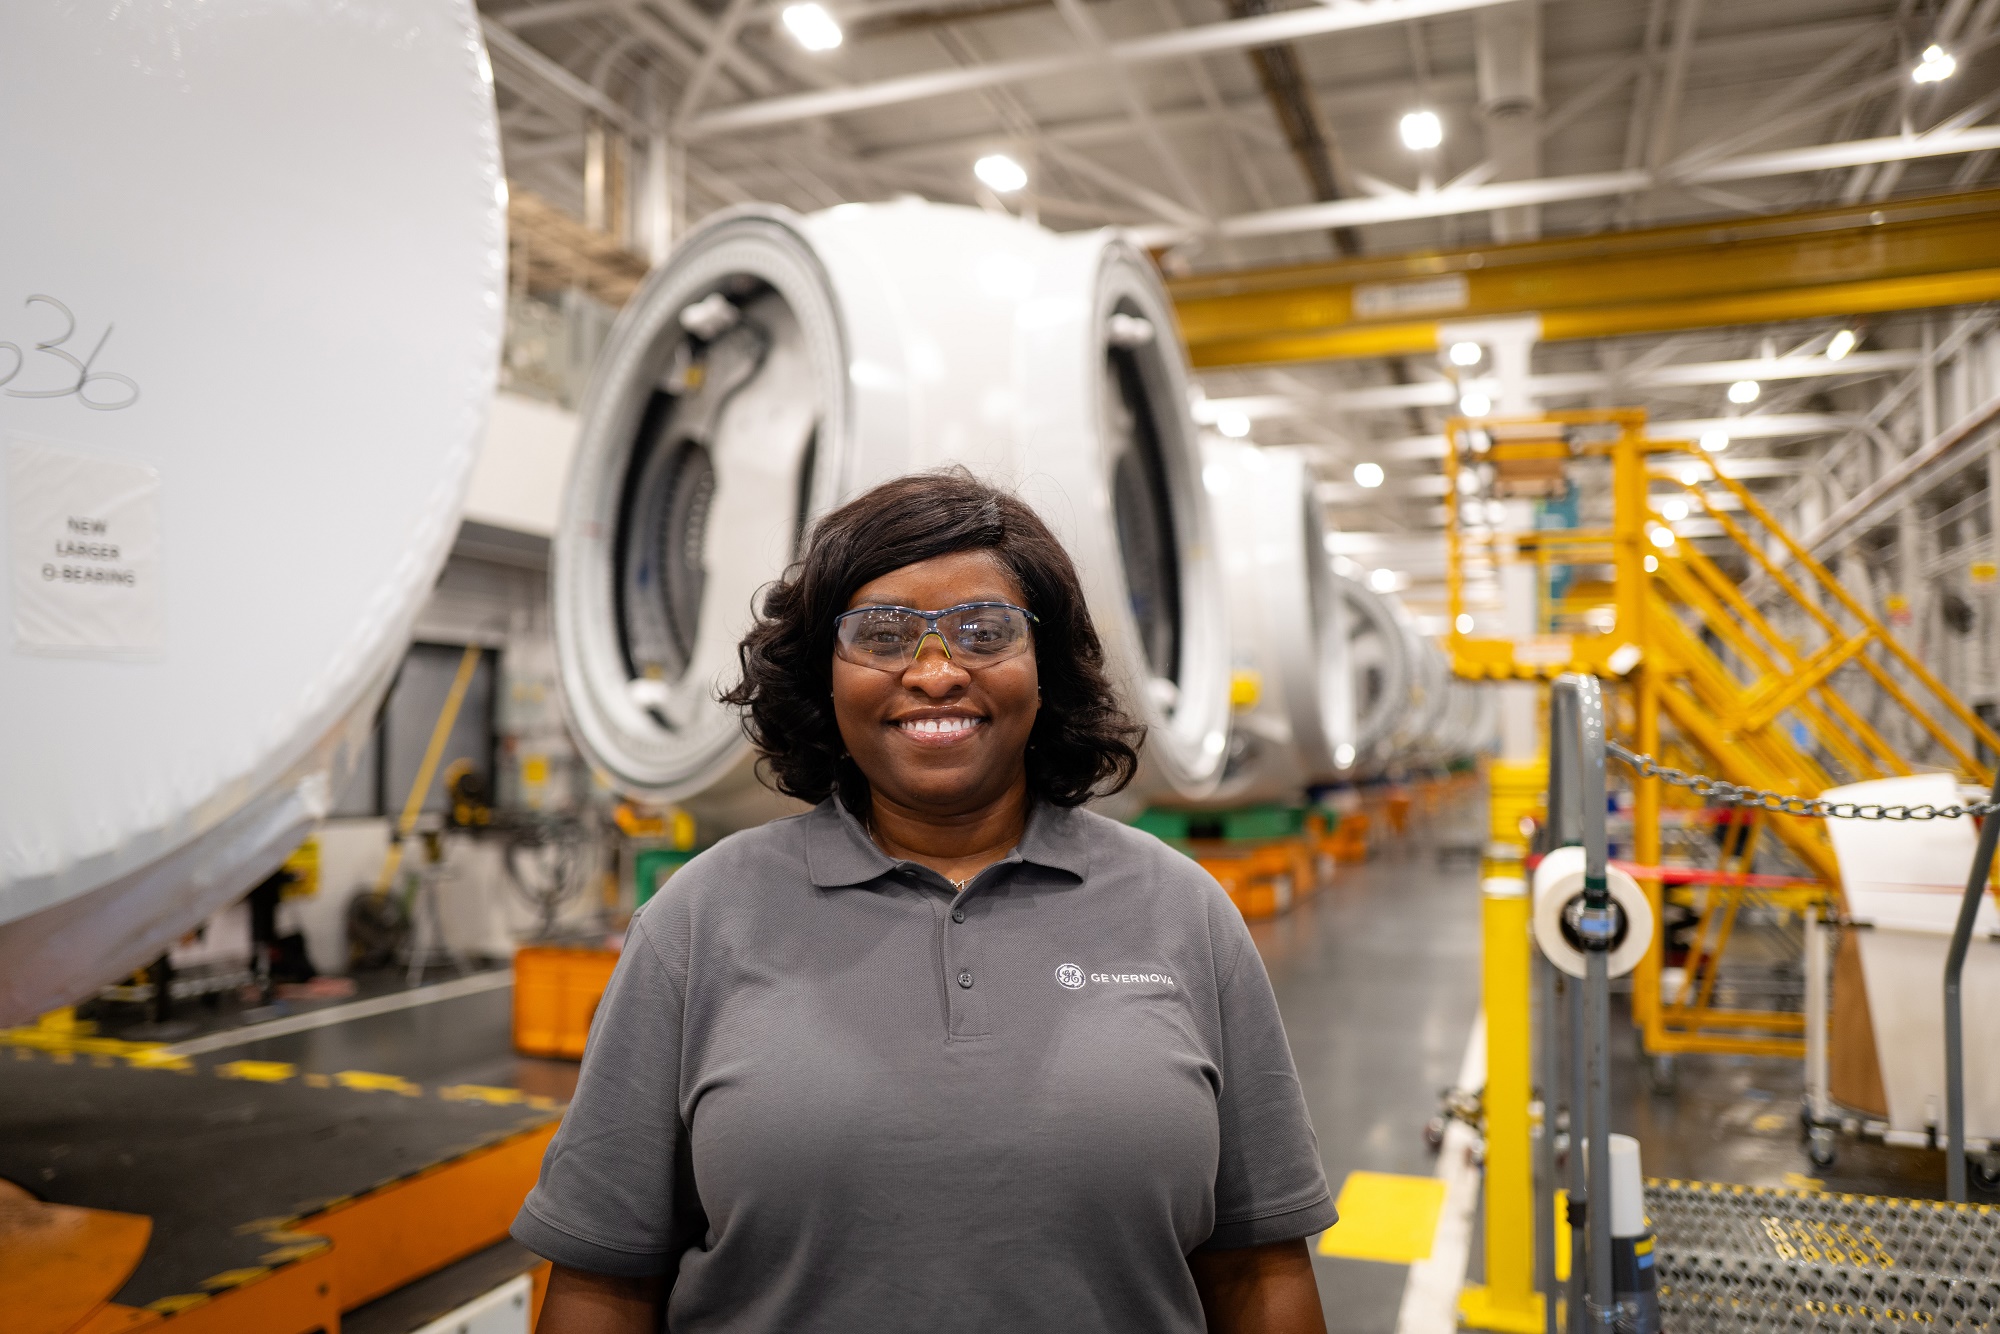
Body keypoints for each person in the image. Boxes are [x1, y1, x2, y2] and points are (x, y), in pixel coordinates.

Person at [515, 470, 1335, 1332]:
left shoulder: (1186, 915)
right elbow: (605, 1278)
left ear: (1046, 668)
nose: (936, 673)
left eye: (985, 631)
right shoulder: (699, 921)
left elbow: (1257, 1265)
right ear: (825, 678)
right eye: (883, 634)